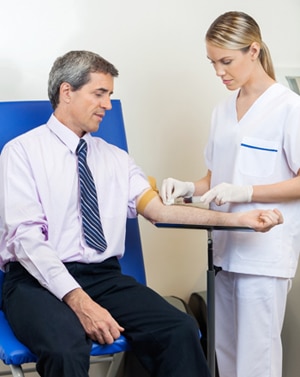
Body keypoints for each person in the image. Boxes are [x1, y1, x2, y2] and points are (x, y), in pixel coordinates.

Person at [0, 50, 282, 377]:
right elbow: (27, 241)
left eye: (110, 96)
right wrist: (79, 301)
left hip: (102, 277)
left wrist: (239, 220)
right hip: (34, 280)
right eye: (99, 93)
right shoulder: (21, 153)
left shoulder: (116, 159)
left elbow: (160, 211)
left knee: (179, 329)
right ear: (67, 92)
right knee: (67, 347)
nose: (107, 104)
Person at [161, 11, 300, 377]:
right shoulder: (222, 111)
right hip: (223, 252)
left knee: (257, 360)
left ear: (253, 50)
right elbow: (215, 179)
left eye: (226, 61)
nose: (219, 72)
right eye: (213, 63)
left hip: (264, 255)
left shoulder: (289, 108)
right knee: (227, 355)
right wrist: (189, 188)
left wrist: (248, 190)